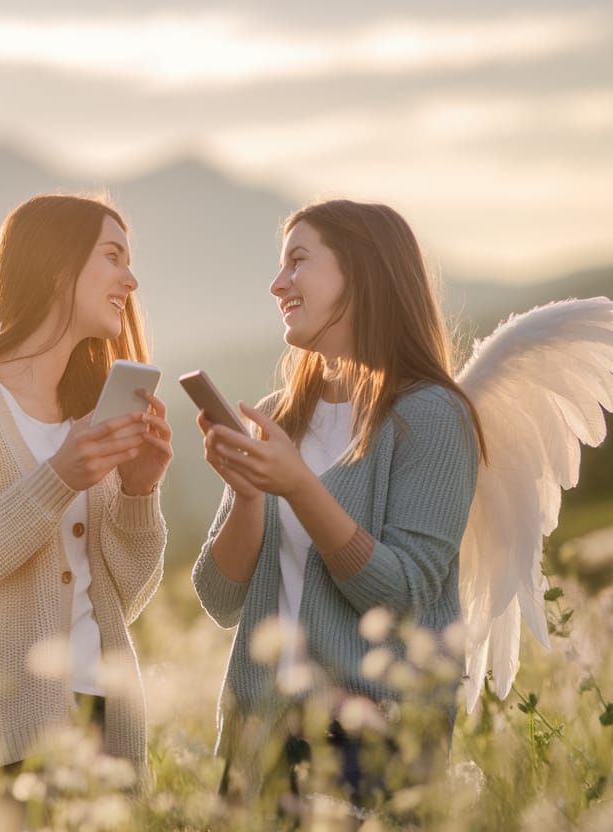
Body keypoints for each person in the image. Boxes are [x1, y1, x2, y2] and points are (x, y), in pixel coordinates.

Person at [191, 199, 488, 811]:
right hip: (260, 741)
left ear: (362, 273)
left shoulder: (430, 416)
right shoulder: (277, 416)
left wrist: (298, 485)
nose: (278, 284)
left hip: (373, 746)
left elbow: (401, 594)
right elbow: (220, 599)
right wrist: (249, 496)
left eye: (298, 262)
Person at [0, 194, 172, 789]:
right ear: (58, 267)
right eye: (113, 256)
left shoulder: (89, 414)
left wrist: (141, 493)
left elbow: (123, 602)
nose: (131, 278)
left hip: (98, 730)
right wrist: (57, 481)